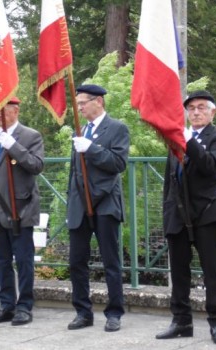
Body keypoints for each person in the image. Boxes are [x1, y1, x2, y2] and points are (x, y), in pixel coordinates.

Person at [156, 90, 216, 345]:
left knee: (212, 271)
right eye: (191, 108)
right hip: (177, 213)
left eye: (202, 107)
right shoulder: (176, 139)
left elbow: (211, 167)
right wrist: (167, 211)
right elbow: (171, 179)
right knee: (178, 271)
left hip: (207, 212)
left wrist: (190, 141)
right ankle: (181, 321)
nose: (196, 112)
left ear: (213, 112)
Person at [66, 84, 129, 332]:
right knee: (76, 262)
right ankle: (83, 312)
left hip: (105, 203)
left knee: (111, 261)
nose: (79, 107)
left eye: (83, 102)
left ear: (99, 101)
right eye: (78, 103)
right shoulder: (78, 130)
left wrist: (91, 149)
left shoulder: (117, 128)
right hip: (80, 205)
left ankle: (114, 313)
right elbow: (75, 172)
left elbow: (118, 163)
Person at [0, 96, 44, 326]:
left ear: (15, 111)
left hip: (20, 209)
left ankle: (24, 306)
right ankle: (6, 305)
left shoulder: (30, 136)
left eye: (1, 110)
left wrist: (13, 146)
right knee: (2, 261)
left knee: (23, 261)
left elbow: (36, 165)